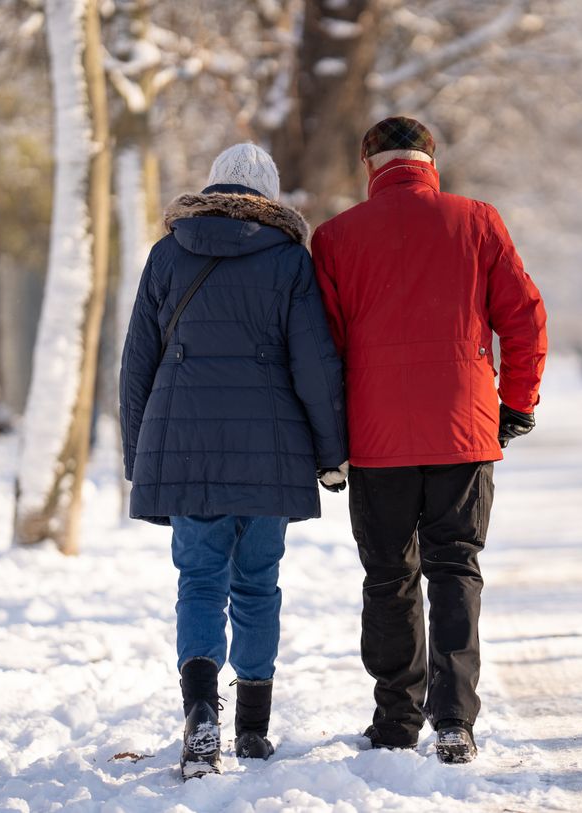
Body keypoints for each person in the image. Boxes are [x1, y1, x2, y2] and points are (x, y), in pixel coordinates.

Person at [312, 117, 547, 764]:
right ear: (430, 160)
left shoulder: (334, 239)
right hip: (464, 432)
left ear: (370, 165)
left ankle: (394, 718)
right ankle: (454, 720)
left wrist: (330, 441)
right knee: (455, 570)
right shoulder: (478, 221)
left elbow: (324, 349)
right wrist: (517, 402)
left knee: (389, 575)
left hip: (377, 438)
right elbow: (524, 316)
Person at [119, 143, 348, 780]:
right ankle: (251, 728)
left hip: (185, 446)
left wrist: (140, 453)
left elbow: (138, 362)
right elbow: (314, 364)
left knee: (198, 581)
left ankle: (200, 716)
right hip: (269, 449)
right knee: (257, 584)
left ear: (212, 187)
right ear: (269, 198)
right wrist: (332, 454)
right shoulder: (288, 261)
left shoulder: (168, 254)